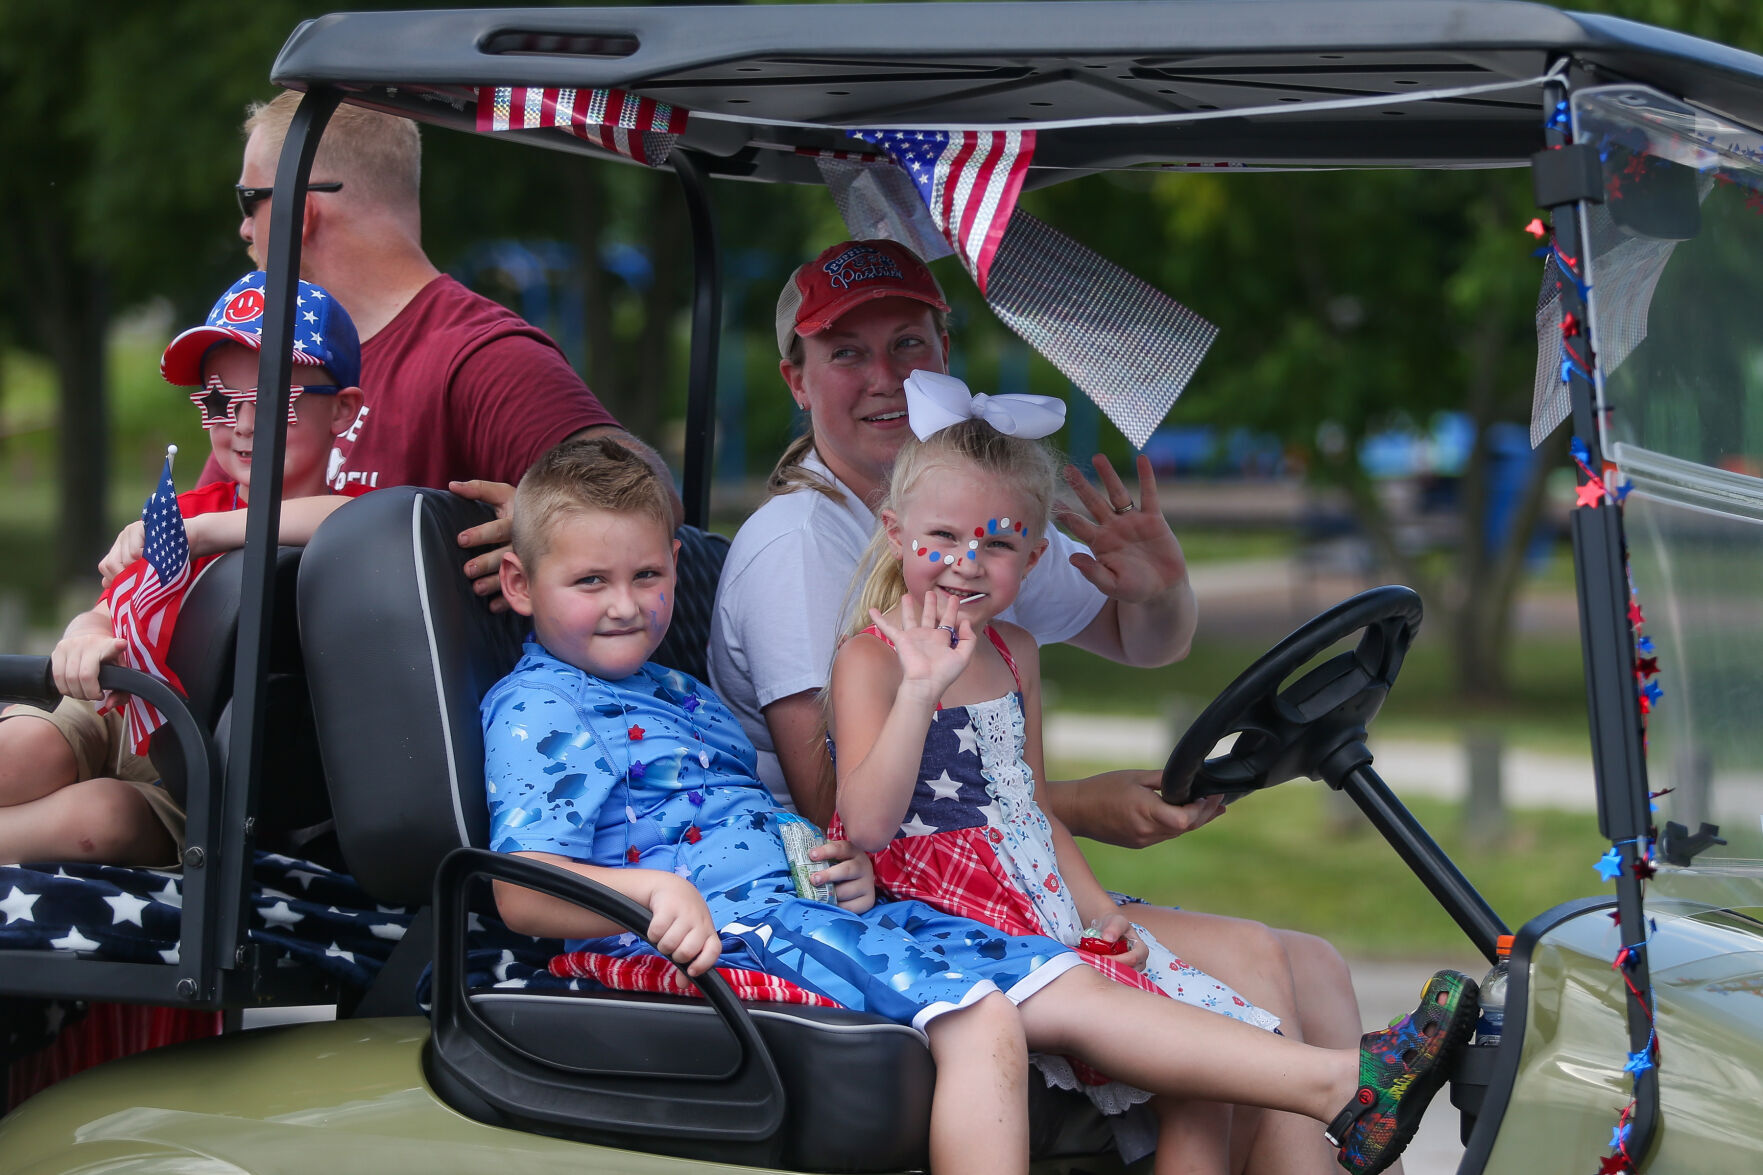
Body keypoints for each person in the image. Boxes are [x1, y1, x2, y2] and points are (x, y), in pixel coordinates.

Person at [481, 435, 1478, 1175]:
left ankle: (1340, 1080)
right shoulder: (541, 705)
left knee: (1081, 979)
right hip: (712, 933)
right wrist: (655, 888)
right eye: (593, 580)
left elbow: (1000, 801)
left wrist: (1082, 899)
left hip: (799, 906)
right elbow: (525, 891)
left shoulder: (676, 690)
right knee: (996, 1010)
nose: (627, 602)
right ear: (523, 585)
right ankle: (1340, 1080)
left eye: (649, 575)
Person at [709, 238, 1375, 1171]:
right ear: (796, 379)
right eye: (846, 353)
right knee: (1257, 969)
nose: (884, 378)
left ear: (944, 353)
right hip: (882, 891)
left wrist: (1156, 589)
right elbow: (837, 807)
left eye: (906, 344)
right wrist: (1084, 803)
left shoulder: (976, 524)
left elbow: (1145, 642)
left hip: (1015, 875)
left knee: (1315, 965)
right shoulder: (806, 543)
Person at [828, 388, 1304, 1171]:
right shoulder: (872, 660)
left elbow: (1032, 808)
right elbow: (867, 824)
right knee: (1188, 1054)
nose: (965, 562)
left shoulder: (1015, 650)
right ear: (895, 533)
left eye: (998, 543)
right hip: (949, 922)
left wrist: (1097, 911)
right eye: (940, 536)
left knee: (1207, 1070)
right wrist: (919, 689)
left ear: (1035, 556)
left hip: (1041, 905)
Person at [219, 90, 679, 573]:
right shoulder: (277, 358)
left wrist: (542, 530)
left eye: (250, 201)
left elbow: (650, 490)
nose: (245, 230)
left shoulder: (481, 356)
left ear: (303, 210)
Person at [0, 271, 366, 866]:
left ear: (343, 412)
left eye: (276, 399)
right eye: (222, 401)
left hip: (201, 770)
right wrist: (84, 637)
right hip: (116, 703)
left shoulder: (343, 524)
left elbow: (354, 520)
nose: (245, 424)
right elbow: (106, 613)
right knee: (22, 753)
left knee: (101, 820)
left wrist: (203, 534)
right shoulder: (193, 509)